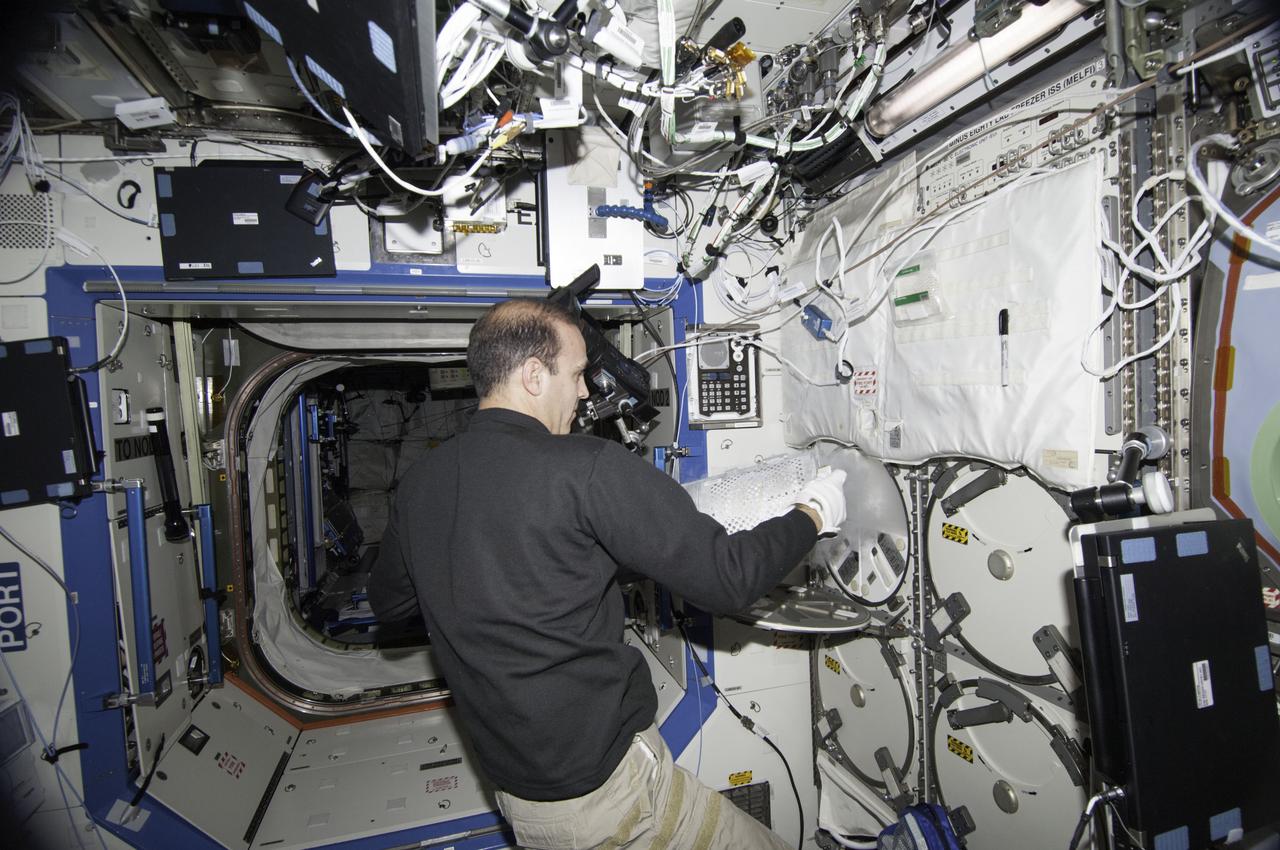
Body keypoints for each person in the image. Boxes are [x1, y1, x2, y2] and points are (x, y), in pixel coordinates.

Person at [369, 298, 847, 850]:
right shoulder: (585, 467)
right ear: (531, 375)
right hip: (612, 798)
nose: (584, 393)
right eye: (575, 374)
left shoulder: (422, 483)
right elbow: (728, 578)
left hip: (522, 800)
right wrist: (812, 515)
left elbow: (394, 604)